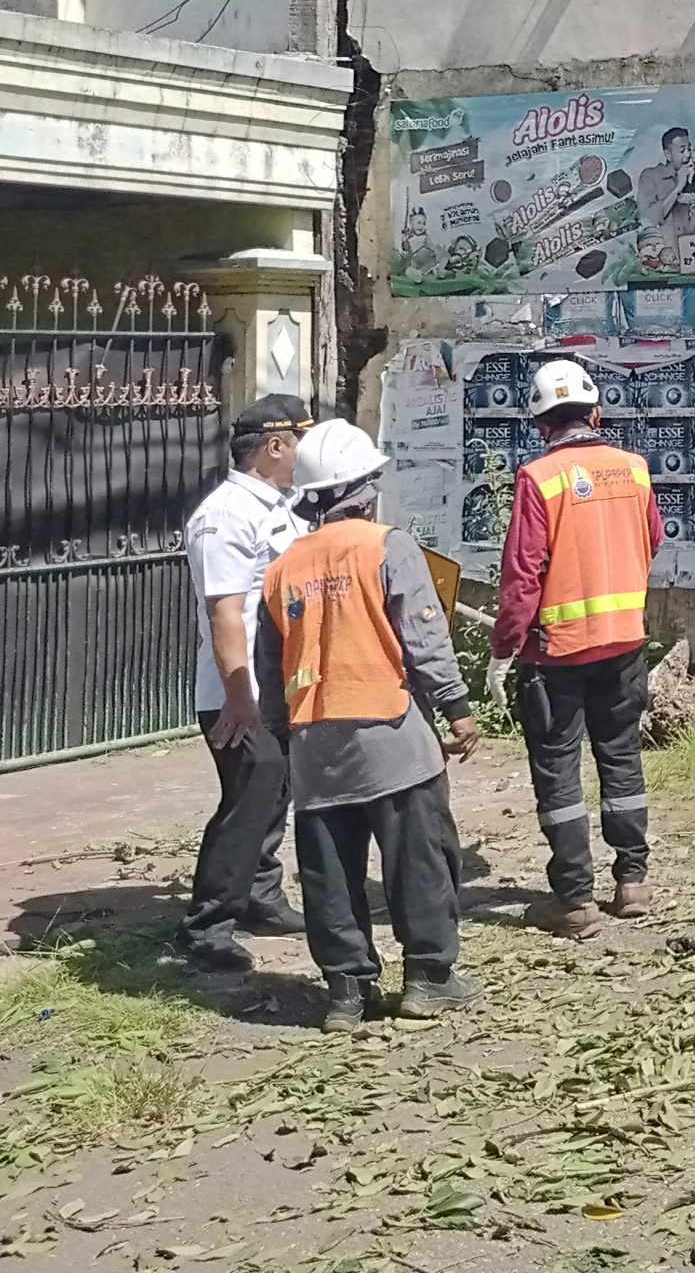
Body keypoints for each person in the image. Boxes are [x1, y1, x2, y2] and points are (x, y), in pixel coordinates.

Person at [254, 419, 482, 1030]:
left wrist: (283, 731)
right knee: (421, 859)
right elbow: (425, 638)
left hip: (316, 747)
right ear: (364, 487)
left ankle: (346, 993)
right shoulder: (388, 546)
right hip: (392, 738)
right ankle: (430, 978)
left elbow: (269, 663)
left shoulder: (283, 568)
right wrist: (458, 709)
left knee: (330, 873)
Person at [495, 358, 665, 939]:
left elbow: (523, 576)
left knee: (559, 773)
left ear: (541, 422)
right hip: (623, 644)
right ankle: (633, 880)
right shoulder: (635, 469)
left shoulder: (538, 478)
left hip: (557, 655)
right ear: (596, 411)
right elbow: (654, 537)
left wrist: (502, 650)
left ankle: (573, 899)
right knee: (621, 758)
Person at [180, 394, 312, 972]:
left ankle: (260, 895)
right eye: (299, 441)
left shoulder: (280, 507)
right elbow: (225, 611)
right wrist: (239, 697)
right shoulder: (227, 513)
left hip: (277, 682)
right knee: (250, 794)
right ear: (275, 446)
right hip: (239, 691)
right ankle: (206, 925)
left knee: (276, 789)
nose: (305, 454)